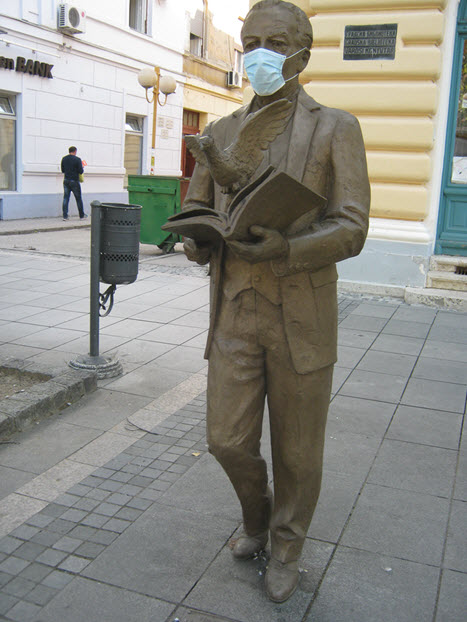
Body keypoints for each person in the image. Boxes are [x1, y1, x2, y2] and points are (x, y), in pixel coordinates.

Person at [183, 0, 370, 603]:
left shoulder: (335, 128)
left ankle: (287, 544)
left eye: (274, 41)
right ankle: (258, 516)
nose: (259, 52)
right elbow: (199, 207)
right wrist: (195, 239)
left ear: (301, 55)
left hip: (301, 315)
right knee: (226, 439)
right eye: (251, 40)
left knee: (297, 446)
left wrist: (286, 246)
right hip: (235, 308)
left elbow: (352, 226)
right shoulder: (220, 132)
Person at [60, 146, 87, 220]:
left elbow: (62, 170)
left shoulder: (64, 158)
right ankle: (81, 215)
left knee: (66, 198)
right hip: (74, 181)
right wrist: (82, 167)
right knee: (78, 198)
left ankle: (65, 216)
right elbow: (81, 171)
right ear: (75, 151)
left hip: (66, 180)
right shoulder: (77, 159)